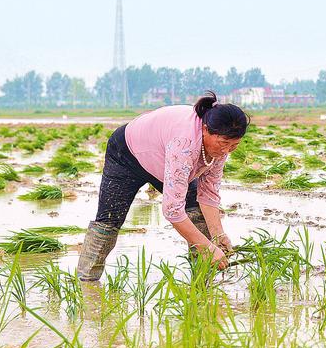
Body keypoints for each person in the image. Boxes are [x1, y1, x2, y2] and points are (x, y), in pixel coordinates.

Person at [77, 91, 249, 281]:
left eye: (234, 145)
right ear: (206, 129)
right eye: (224, 143)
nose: (227, 150)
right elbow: (172, 211)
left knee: (196, 210)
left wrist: (218, 235)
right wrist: (207, 246)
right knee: (109, 220)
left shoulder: (220, 148)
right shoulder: (185, 143)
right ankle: (86, 283)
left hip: (162, 159)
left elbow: (208, 193)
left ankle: (202, 281)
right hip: (125, 154)